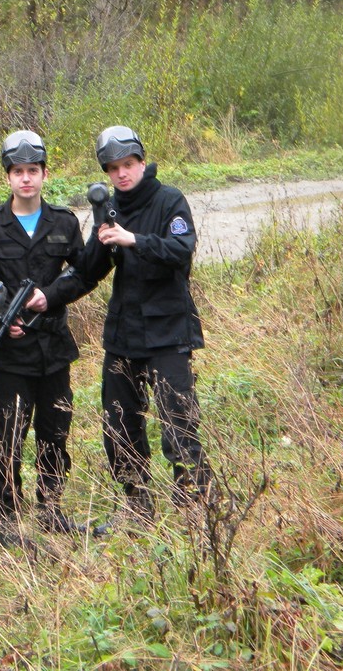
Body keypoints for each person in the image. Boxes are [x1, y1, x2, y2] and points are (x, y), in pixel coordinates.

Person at [79, 126, 213, 532]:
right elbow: (89, 271)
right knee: (119, 423)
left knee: (178, 421)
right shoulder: (109, 208)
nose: (121, 174)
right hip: (124, 332)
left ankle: (196, 509)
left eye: (128, 164)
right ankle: (136, 507)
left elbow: (180, 250)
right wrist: (97, 242)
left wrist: (133, 239)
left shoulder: (169, 200)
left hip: (168, 330)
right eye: (113, 168)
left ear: (141, 162)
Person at [0, 130, 96, 548]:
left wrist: (50, 296)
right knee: (8, 436)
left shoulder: (63, 222)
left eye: (33, 171)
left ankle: (51, 510)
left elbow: (83, 273)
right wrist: (2, 315)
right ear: (7, 177)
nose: (26, 179)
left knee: (55, 432)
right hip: (8, 352)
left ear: (44, 175)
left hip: (53, 348)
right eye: (18, 171)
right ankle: (8, 519)